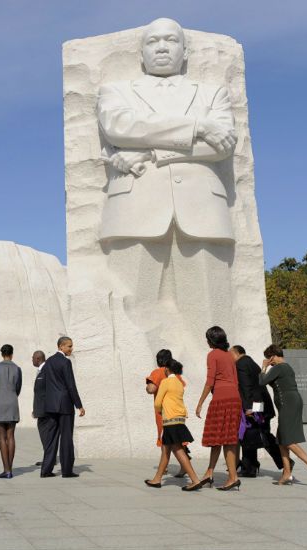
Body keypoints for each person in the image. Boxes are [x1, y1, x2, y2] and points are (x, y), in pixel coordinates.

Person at [97, 17, 237, 330]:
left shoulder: (213, 93)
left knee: (212, 314)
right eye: (153, 41)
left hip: (203, 209)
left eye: (171, 40)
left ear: (186, 51)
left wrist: (153, 151)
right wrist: (198, 127)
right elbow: (121, 129)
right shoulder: (115, 91)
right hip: (134, 208)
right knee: (128, 313)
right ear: (141, 53)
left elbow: (223, 146)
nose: (162, 47)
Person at [260, 345, 307, 487]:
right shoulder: (285, 368)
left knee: (288, 440)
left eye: (268, 359)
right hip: (290, 403)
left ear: (273, 356)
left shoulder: (279, 367)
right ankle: (287, 473)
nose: (268, 362)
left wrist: (263, 367)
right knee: (281, 439)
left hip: (288, 404)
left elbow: (262, 381)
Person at [196, 326, 242, 491]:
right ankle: (209, 472)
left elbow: (210, 381)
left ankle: (232, 477)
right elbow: (236, 380)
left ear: (212, 340)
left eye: (207, 339)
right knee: (222, 437)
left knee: (224, 439)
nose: (207, 341)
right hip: (234, 398)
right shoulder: (229, 356)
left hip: (221, 398)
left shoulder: (213, 355)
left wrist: (200, 402)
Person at [145, 360, 202, 491]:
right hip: (179, 419)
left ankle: (195, 480)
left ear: (168, 370)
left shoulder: (165, 382)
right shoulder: (179, 383)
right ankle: (157, 479)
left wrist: (160, 410)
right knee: (166, 450)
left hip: (170, 419)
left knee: (177, 449)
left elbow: (157, 402)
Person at [230, 345, 284, 477]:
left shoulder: (241, 364)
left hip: (254, 405)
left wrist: (248, 407)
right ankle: (250, 467)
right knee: (251, 434)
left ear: (236, 353)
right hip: (261, 405)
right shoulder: (251, 363)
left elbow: (246, 386)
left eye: (230, 353)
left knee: (261, 435)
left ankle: (285, 462)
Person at [40, 337, 85, 478]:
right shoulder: (65, 362)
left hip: (51, 406)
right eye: (69, 346)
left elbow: (43, 385)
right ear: (61, 346)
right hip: (65, 405)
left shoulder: (48, 362)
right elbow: (70, 385)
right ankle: (66, 470)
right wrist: (79, 405)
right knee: (66, 437)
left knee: (51, 438)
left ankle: (46, 470)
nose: (71, 349)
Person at [146, 350, 189, 477]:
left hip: (164, 413)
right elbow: (182, 386)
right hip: (178, 411)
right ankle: (183, 467)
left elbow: (151, 389)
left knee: (165, 439)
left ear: (158, 360)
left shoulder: (157, 372)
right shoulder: (175, 374)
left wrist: (148, 385)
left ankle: (163, 469)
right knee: (178, 439)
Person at [0, 344, 22, 479]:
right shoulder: (18, 369)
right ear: (12, 354)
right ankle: (10, 469)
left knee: (2, 437)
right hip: (12, 401)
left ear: (2, 354)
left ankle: (6, 469)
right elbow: (18, 387)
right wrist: (12, 395)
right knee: (11, 436)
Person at [32, 350, 46, 466]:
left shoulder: (46, 370)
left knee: (45, 434)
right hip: (40, 409)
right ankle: (48, 458)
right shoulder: (41, 370)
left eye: (32, 358)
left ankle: (48, 459)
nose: (31, 360)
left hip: (45, 410)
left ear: (38, 358)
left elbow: (45, 392)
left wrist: (40, 408)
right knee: (44, 435)